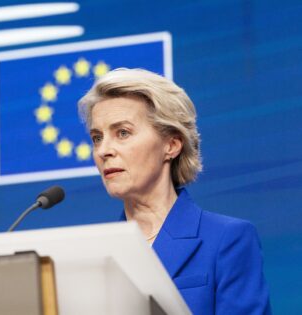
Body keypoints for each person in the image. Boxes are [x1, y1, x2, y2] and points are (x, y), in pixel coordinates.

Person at [78, 68, 271, 315]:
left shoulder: (227, 240)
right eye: (97, 138)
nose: (104, 150)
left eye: (122, 133)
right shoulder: (93, 255)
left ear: (171, 145)